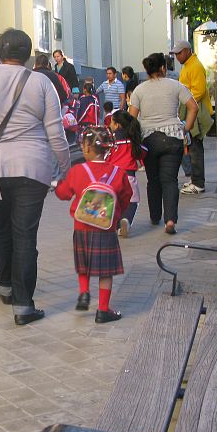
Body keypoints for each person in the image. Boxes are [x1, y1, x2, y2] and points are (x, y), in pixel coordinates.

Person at [0, 28, 71, 326]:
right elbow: (56, 132)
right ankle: (23, 305)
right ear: (28, 54)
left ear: (0, 51)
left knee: (1, 229)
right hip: (33, 168)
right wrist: (66, 169)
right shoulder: (42, 83)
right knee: (25, 235)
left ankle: (5, 286)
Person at [55, 126, 132, 323]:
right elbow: (126, 197)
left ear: (88, 148)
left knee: (84, 263)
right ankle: (103, 310)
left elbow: (64, 193)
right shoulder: (118, 172)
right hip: (106, 229)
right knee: (106, 271)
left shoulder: (78, 171)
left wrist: (57, 187)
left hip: (82, 227)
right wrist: (115, 216)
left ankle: (84, 292)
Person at [129, 52, 199, 235]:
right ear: (163, 67)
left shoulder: (139, 90)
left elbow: (131, 118)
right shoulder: (176, 85)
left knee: (153, 180)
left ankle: (155, 216)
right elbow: (193, 107)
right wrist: (186, 128)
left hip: (149, 139)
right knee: (170, 180)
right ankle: (170, 220)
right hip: (173, 138)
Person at [171, 39, 213, 195]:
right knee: (191, 145)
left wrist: (185, 102)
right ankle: (195, 179)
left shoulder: (194, 65)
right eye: (175, 54)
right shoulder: (189, 65)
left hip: (195, 112)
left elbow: (199, 91)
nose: (177, 56)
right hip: (191, 110)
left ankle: (198, 183)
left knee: (195, 147)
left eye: (179, 53)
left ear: (187, 51)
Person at [107, 110, 146, 238]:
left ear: (117, 125)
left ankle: (116, 225)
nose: (110, 125)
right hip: (129, 177)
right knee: (132, 201)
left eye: (112, 122)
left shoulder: (111, 142)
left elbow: (106, 158)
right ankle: (126, 221)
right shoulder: (132, 141)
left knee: (115, 202)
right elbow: (144, 151)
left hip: (113, 178)